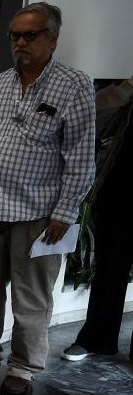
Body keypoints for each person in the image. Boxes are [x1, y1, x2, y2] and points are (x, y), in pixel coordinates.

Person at [0, 2, 95, 395]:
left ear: (52, 38)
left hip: (39, 214)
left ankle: (23, 368)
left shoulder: (73, 85)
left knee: (31, 296)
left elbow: (81, 154)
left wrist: (66, 212)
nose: (20, 42)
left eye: (30, 35)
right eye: (15, 35)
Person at [61, 77, 133, 364]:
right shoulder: (127, 94)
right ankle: (97, 339)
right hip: (119, 193)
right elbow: (99, 107)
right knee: (109, 270)